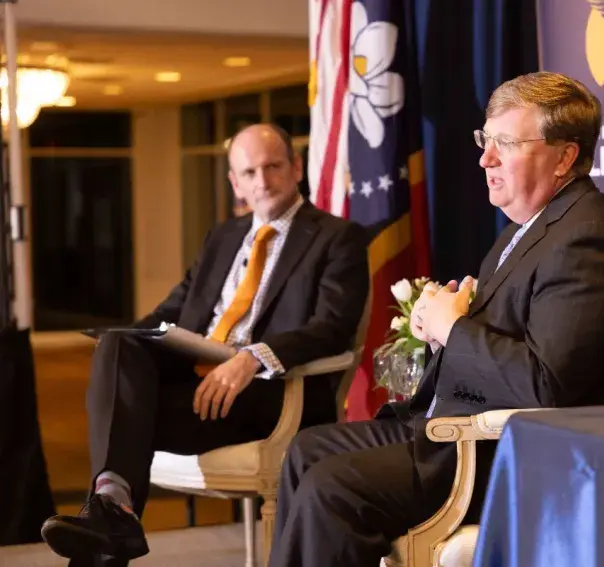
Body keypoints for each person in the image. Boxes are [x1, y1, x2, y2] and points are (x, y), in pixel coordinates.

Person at [267, 71, 604, 567]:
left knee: (332, 487)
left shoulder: (590, 238)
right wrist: (440, 326)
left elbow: (545, 386)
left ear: (564, 157)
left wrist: (453, 328)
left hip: (501, 457)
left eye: (506, 144)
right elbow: (506, 344)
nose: (485, 159)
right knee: (307, 450)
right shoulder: (529, 228)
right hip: (448, 426)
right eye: (485, 140)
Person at [40, 124, 370, 566]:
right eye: (249, 172)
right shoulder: (223, 238)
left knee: (121, 418)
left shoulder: (337, 237)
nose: (262, 181)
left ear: (296, 168)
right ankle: (112, 513)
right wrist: (118, 351)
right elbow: (172, 310)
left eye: (273, 166)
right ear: (235, 182)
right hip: (196, 386)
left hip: (267, 393)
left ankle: (108, 527)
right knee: (120, 350)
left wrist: (252, 358)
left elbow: (332, 327)